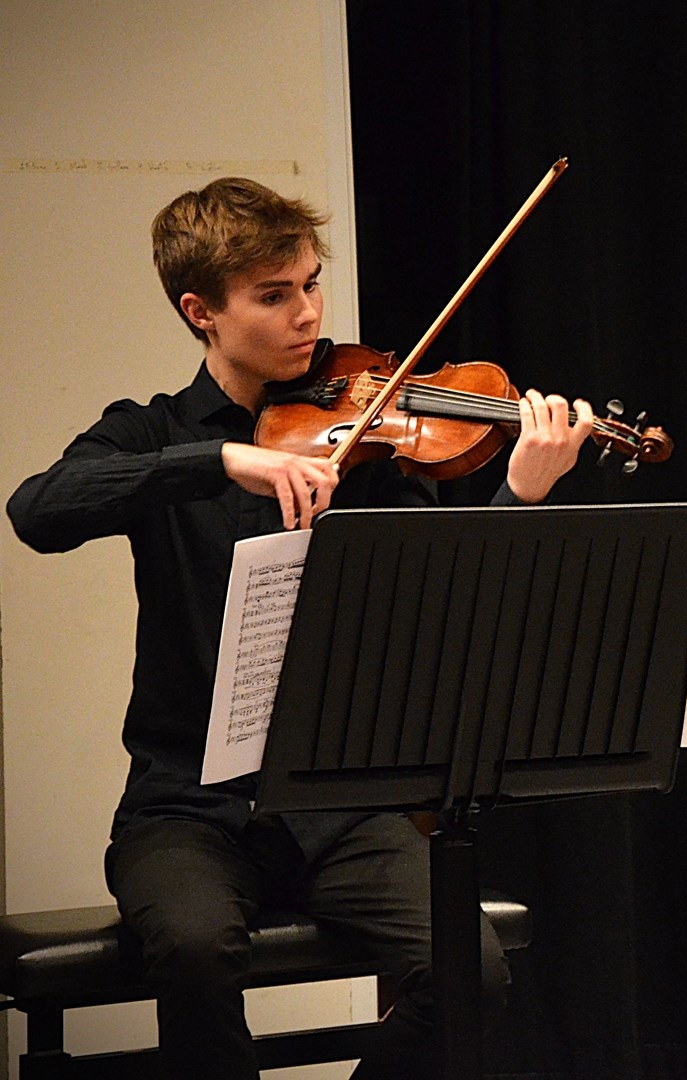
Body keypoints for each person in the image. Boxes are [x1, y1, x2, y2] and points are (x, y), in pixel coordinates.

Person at [7, 177, 596, 1079]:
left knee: (469, 976)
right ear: (200, 311)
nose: (307, 316)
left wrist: (520, 487)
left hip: (337, 802)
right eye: (275, 296)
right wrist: (217, 459)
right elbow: (38, 510)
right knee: (197, 952)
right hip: (187, 809)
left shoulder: (360, 431)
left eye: (313, 285)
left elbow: (451, 582)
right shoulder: (149, 434)